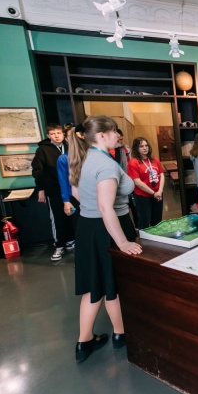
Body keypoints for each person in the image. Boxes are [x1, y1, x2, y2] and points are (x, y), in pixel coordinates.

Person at [68, 115, 142, 362]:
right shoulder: (105, 164)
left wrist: (91, 208)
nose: (118, 136)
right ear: (102, 135)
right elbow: (105, 207)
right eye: (114, 132)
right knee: (113, 284)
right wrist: (122, 242)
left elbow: (76, 192)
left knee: (95, 285)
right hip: (109, 228)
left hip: (87, 227)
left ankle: (84, 341)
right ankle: (121, 334)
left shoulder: (83, 157)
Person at [31, 122, 75, 262]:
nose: (56, 136)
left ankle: (70, 240)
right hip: (53, 190)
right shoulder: (43, 150)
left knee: (71, 214)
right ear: (48, 135)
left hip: (70, 189)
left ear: (63, 134)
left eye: (58, 133)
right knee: (57, 217)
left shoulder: (69, 146)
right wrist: (41, 189)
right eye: (53, 134)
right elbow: (38, 171)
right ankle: (59, 245)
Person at [127, 137, 164, 229]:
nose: (145, 148)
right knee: (144, 221)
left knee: (157, 221)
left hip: (158, 194)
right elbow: (137, 182)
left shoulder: (154, 159)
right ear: (136, 148)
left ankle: (157, 237)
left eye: (146, 145)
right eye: (141, 146)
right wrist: (153, 193)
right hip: (143, 196)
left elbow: (162, 175)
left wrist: (160, 191)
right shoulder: (133, 162)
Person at [56, 127, 80, 254]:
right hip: (74, 198)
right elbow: (63, 181)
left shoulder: (89, 155)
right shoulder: (63, 159)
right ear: (66, 139)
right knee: (79, 227)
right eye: (71, 135)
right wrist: (66, 201)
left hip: (92, 196)